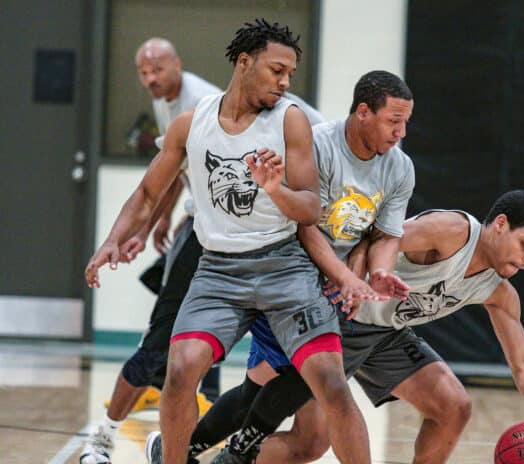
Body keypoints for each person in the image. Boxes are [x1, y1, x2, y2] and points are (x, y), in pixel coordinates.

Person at [85, 19, 377, 464]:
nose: (284, 82)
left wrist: (275, 188)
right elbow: (148, 193)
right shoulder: (191, 123)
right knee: (181, 371)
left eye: (290, 74)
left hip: (284, 266)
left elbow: (310, 209)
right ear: (245, 62)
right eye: (277, 70)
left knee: (331, 383)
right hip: (218, 269)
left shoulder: (290, 120)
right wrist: (114, 240)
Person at [192, 191, 524, 463]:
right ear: (499, 225)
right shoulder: (453, 232)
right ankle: (197, 452)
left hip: (386, 334)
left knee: (453, 406)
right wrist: (350, 281)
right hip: (341, 320)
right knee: (308, 442)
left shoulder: (499, 291)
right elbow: (375, 236)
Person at [146, 69, 417, 464]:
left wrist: (374, 272)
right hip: (290, 281)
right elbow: (302, 225)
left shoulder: (399, 167)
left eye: (406, 123)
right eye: (394, 121)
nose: (401, 132)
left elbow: (384, 234)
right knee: (277, 393)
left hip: (340, 294)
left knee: (310, 439)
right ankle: (189, 452)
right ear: (363, 112)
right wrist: (343, 276)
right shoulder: (317, 145)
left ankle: (190, 452)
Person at [79, 37, 222, 464]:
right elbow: (170, 169)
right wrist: (157, 223)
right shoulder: (172, 107)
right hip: (201, 233)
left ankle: (196, 432)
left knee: (213, 341)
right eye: (142, 72)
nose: (150, 79)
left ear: (177, 65)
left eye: (157, 69)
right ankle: (105, 437)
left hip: (235, 239)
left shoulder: (202, 101)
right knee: (161, 339)